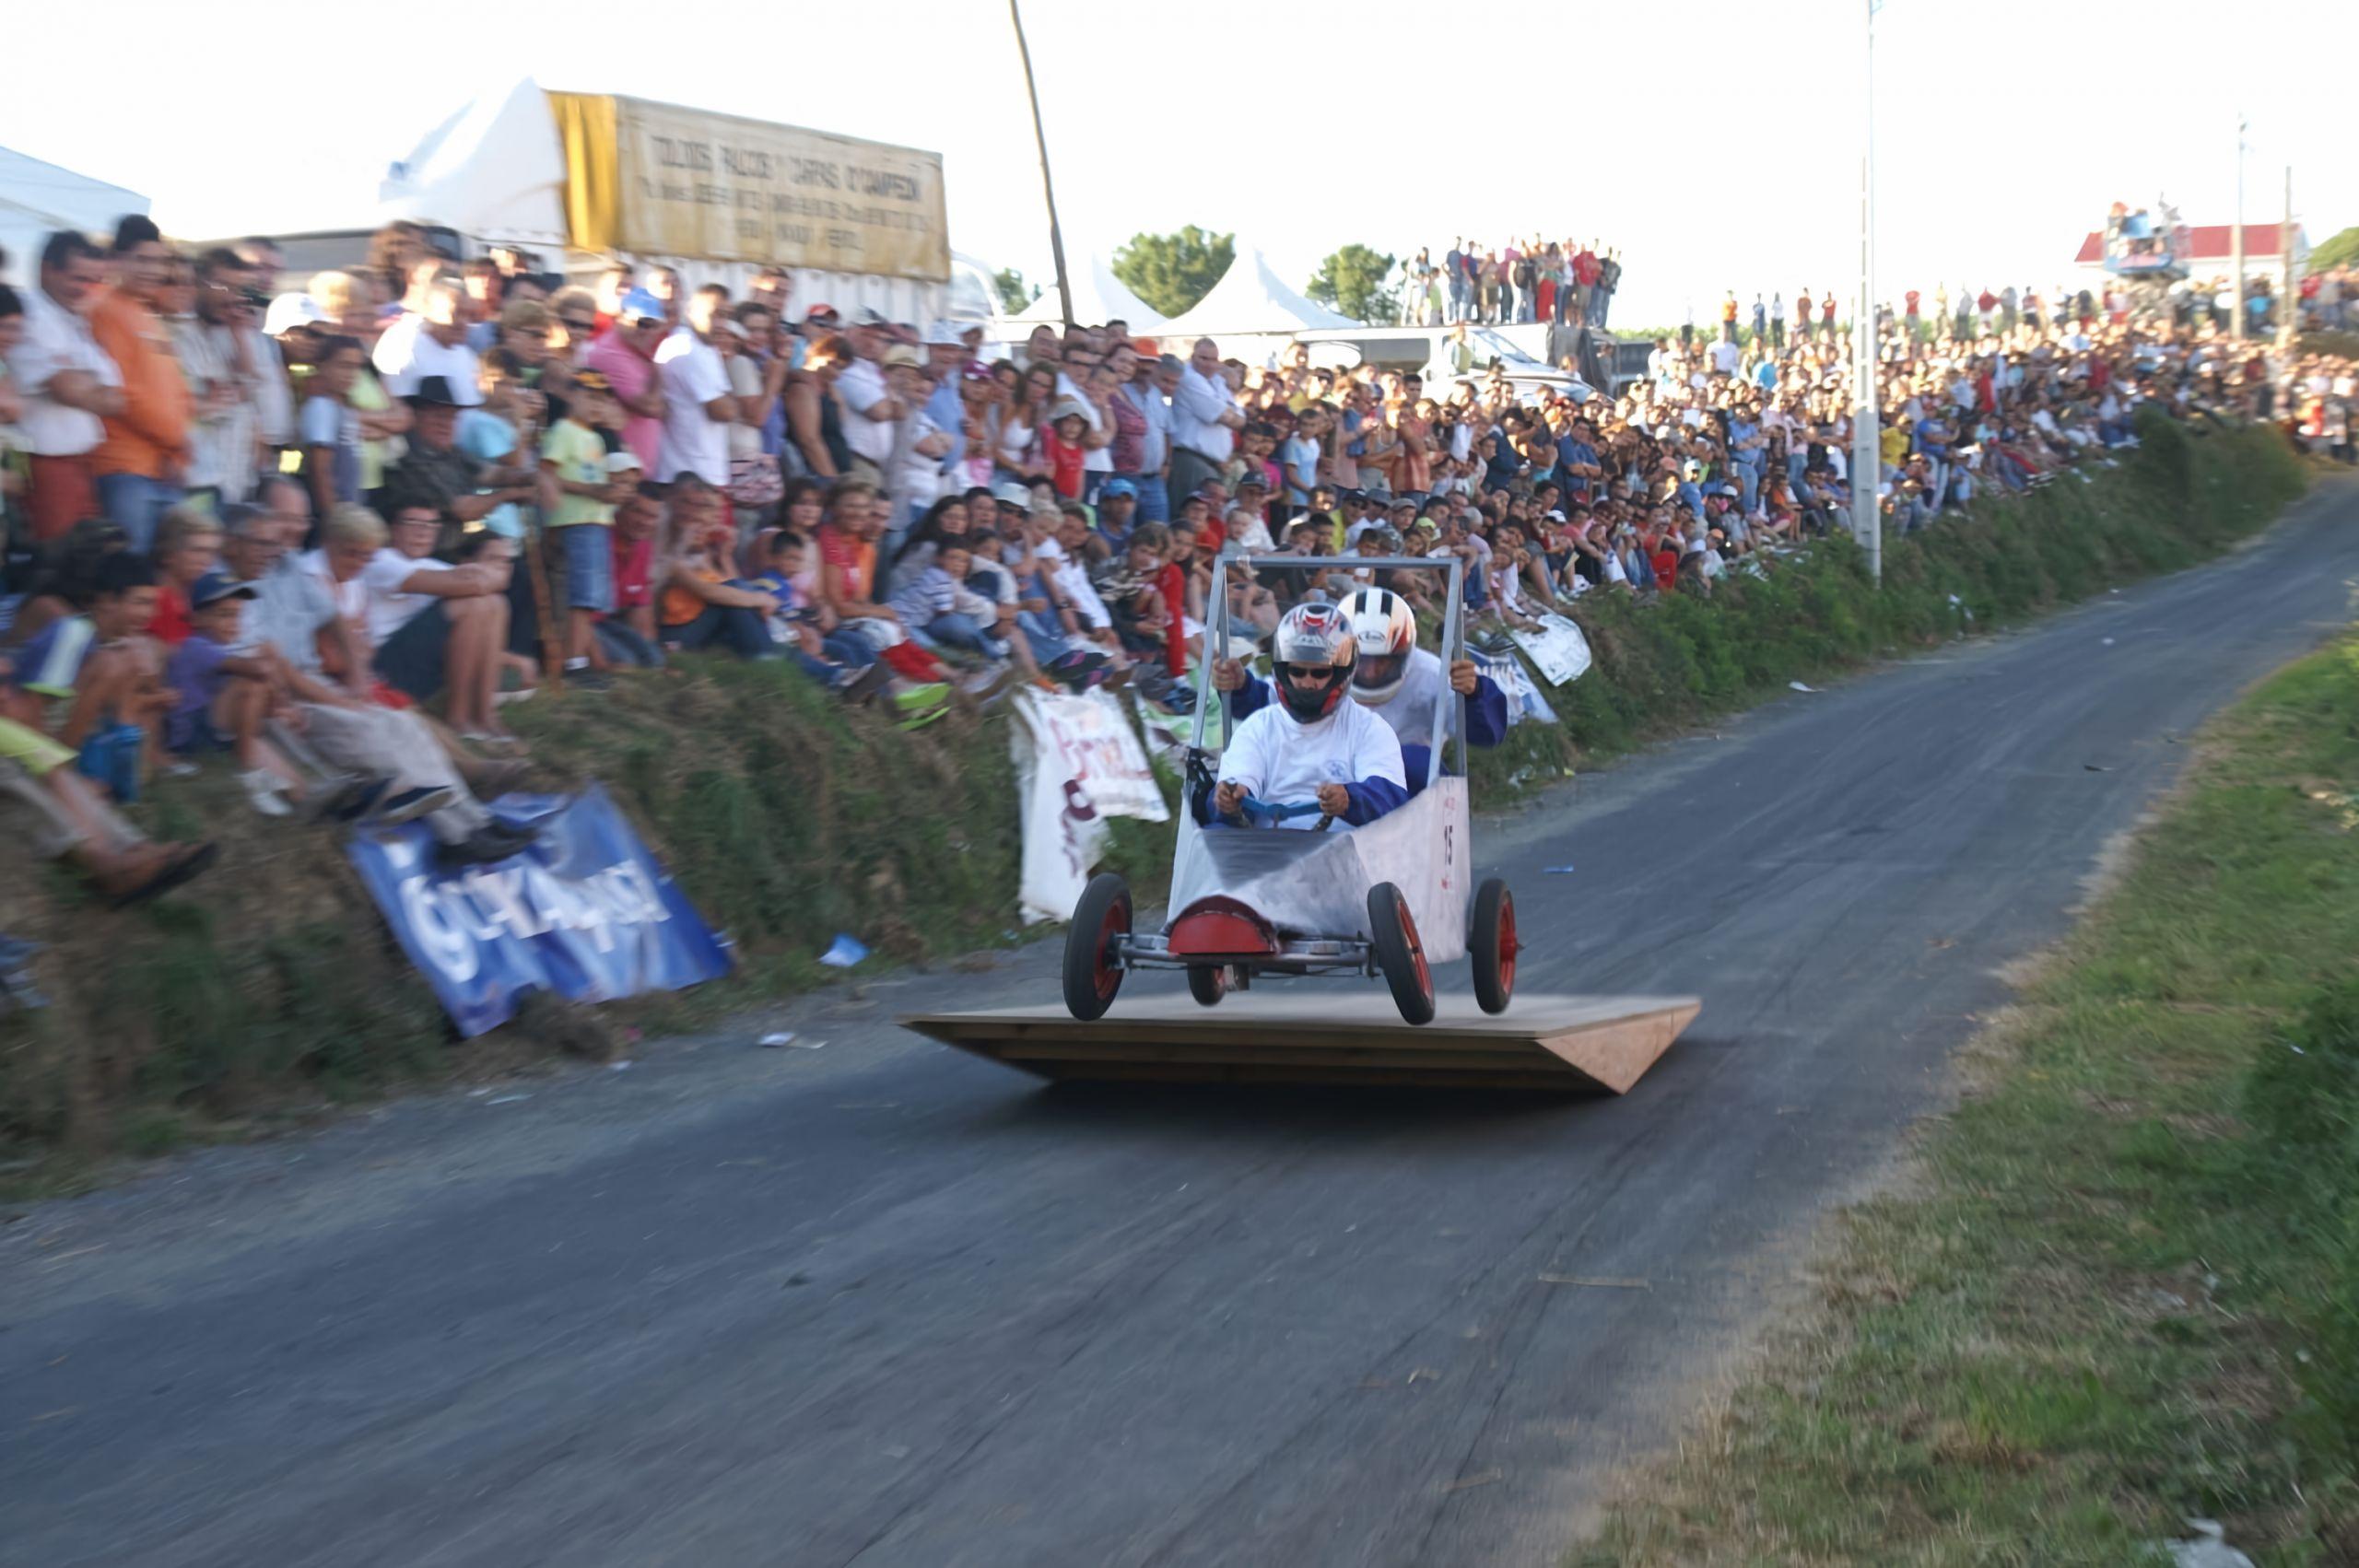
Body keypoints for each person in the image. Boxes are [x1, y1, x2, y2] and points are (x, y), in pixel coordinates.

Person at [1215, 588, 1508, 787]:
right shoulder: (1324, 669)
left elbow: (1485, 734)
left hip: (1400, 784)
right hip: (1329, 773)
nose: (1368, 671)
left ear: (1404, 653)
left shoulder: (1431, 675)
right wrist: (1240, 687)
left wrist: (1473, 695)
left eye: (1382, 662)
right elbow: (1270, 702)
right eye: (1362, 660)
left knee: (1417, 763)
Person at [1202, 602, 1406, 832]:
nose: (1308, 683)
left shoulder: (1369, 729)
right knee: (1216, 833)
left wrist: (1348, 799)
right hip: (1263, 853)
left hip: (1342, 851)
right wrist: (1230, 799)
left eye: (1320, 673)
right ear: (1282, 670)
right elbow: (1240, 779)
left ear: (1342, 672)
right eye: (1297, 672)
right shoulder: (1257, 727)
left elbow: (1391, 798)